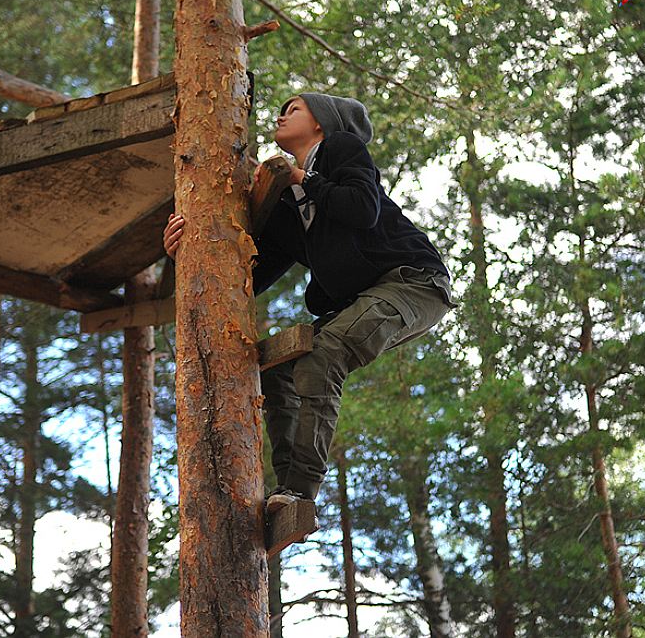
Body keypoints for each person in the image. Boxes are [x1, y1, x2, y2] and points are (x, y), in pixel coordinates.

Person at [163, 93, 455, 517]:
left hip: (415, 284)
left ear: (321, 123)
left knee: (324, 355)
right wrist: (184, 255)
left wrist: (304, 177)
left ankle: (301, 491)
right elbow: (249, 278)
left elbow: (362, 208)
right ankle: (285, 490)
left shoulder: (341, 149)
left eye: (294, 109)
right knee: (281, 369)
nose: (281, 115)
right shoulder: (290, 206)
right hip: (371, 296)